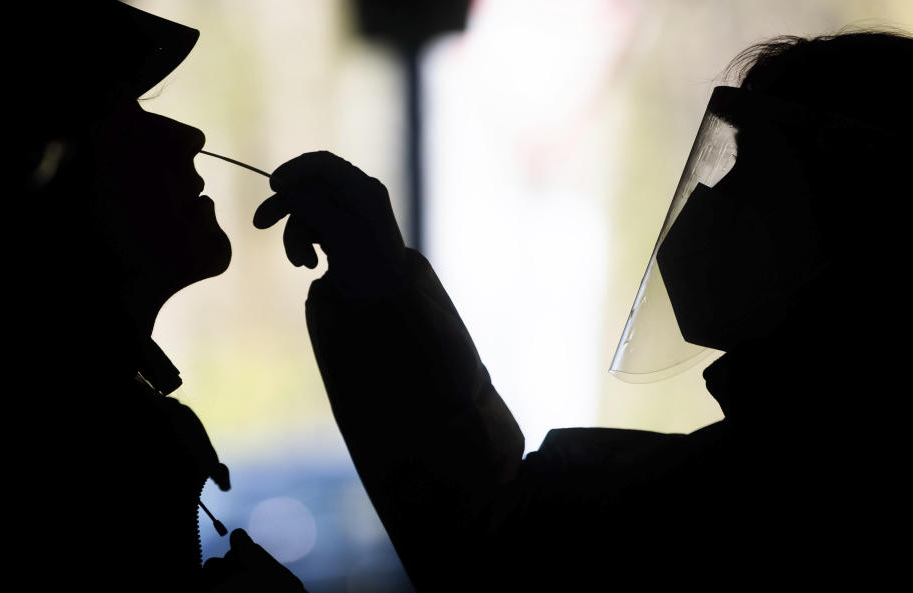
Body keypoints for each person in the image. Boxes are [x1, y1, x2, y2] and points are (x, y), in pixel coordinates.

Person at [258, 30, 912, 589]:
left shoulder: (775, 492)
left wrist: (379, 294)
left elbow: (498, 552)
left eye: (752, 171)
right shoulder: (793, 454)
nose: (713, 198)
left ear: (856, 216)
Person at [0, 2, 307, 590]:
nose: (191, 135)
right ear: (42, 173)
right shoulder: (67, 454)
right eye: (124, 111)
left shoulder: (90, 425)